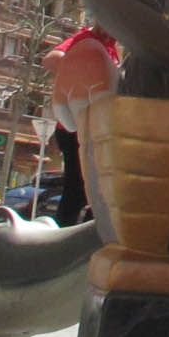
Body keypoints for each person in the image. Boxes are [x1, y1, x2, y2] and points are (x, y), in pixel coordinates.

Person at [41, 22, 119, 227]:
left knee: (95, 187)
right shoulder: (86, 40)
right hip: (75, 129)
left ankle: (89, 228)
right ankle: (68, 230)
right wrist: (76, 71)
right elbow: (52, 59)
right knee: (79, 186)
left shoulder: (111, 46)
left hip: (94, 127)